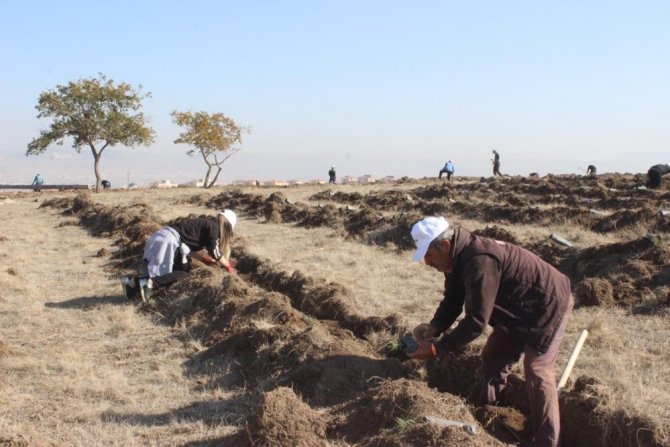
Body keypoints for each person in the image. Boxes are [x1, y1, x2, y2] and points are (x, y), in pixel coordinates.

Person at [408, 216, 573, 447]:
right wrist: (436, 326)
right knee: (494, 354)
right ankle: (489, 411)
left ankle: (546, 441)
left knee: (537, 369)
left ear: (444, 245)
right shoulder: (456, 258)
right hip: (516, 307)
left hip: (547, 303)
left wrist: (437, 348)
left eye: (428, 255)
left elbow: (476, 322)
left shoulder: (478, 260)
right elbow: (453, 299)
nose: (427, 262)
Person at [121, 209, 238, 301]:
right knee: (181, 274)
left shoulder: (206, 224)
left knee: (178, 272)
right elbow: (216, 252)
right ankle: (150, 283)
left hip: (161, 236)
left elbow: (187, 247)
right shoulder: (214, 227)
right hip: (169, 241)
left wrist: (203, 259)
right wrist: (228, 267)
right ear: (227, 226)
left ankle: (131, 283)